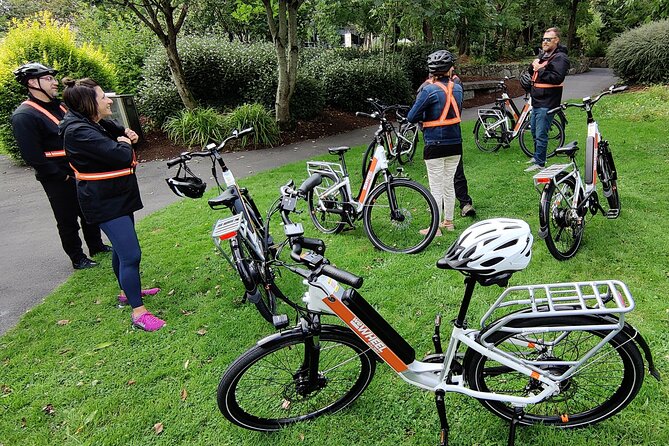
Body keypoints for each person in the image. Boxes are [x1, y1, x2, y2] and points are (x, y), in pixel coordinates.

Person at [59, 77, 164, 332]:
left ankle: (126, 293)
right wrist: (125, 143)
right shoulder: (78, 131)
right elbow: (121, 155)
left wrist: (125, 134)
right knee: (131, 254)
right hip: (103, 201)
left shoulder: (91, 122)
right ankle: (139, 314)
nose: (108, 100)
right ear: (88, 104)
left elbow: (116, 128)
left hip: (117, 195)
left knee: (120, 249)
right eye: (103, 97)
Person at [10, 63, 110, 269]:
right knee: (67, 218)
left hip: (79, 170)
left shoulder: (62, 106)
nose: (55, 82)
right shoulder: (24, 115)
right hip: (57, 177)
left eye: (53, 78)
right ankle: (77, 257)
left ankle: (96, 245)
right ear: (31, 83)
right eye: (48, 79)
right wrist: (60, 175)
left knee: (88, 210)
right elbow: (32, 155)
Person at [408, 50, 464, 234]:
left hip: (434, 144)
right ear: (450, 70)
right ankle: (448, 222)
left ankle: (435, 227)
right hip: (455, 143)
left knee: (436, 186)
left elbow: (411, 117)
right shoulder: (458, 88)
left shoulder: (428, 90)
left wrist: (425, 118)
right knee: (448, 183)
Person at [525, 27, 570, 172]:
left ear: (556, 40)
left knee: (541, 133)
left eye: (548, 39)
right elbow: (532, 71)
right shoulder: (544, 55)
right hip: (537, 100)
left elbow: (556, 78)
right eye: (543, 39)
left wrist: (540, 69)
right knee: (533, 131)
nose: (545, 42)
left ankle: (540, 162)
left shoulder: (560, 58)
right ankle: (537, 156)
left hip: (548, 102)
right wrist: (534, 66)